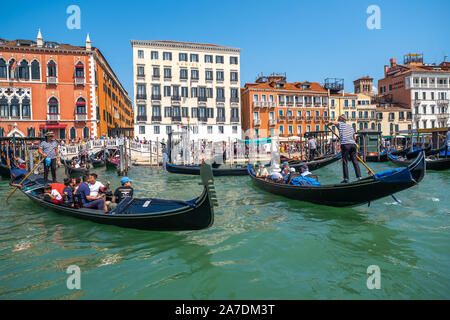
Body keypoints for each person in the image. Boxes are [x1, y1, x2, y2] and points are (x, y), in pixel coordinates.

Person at [329, 115, 362, 183]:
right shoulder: (350, 127)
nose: (337, 120)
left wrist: (328, 124)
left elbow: (333, 122)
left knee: (345, 162)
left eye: (338, 119)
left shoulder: (340, 124)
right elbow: (354, 137)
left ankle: (346, 179)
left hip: (345, 145)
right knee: (355, 161)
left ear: (340, 120)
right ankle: (359, 177)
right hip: (353, 145)